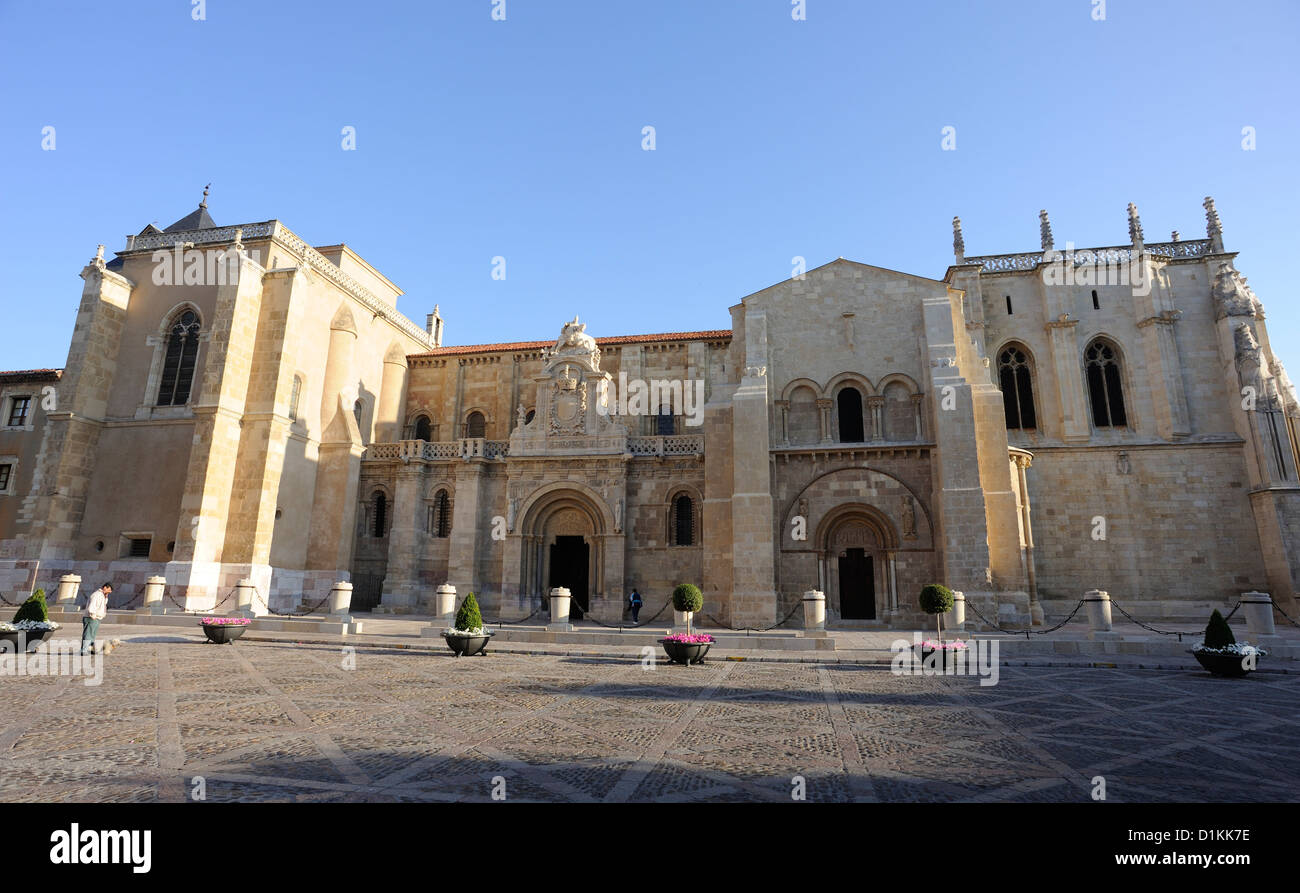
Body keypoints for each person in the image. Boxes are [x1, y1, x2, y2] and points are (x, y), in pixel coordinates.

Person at [82, 582, 110, 655]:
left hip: (96, 618)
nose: (110, 592)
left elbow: (103, 605)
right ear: (105, 587)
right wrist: (93, 615)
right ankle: (84, 650)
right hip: (91, 617)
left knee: (92, 635)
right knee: (88, 634)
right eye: (109, 590)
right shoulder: (97, 595)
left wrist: (106, 596)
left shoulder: (102, 595)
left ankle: (90, 649)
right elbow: (92, 605)